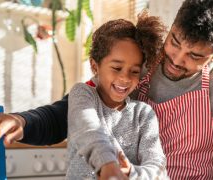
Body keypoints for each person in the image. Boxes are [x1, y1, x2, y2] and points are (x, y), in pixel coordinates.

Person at [0, 0, 213, 179]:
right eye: (174, 41)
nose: (176, 59)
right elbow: (73, 112)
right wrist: (23, 121)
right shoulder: (137, 66)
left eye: (194, 56)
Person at [65, 12, 166, 180]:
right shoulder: (82, 94)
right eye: (116, 68)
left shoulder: (143, 114)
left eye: (134, 71)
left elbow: (158, 168)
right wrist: (108, 166)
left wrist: (132, 173)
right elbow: (89, 129)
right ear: (95, 66)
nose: (125, 78)